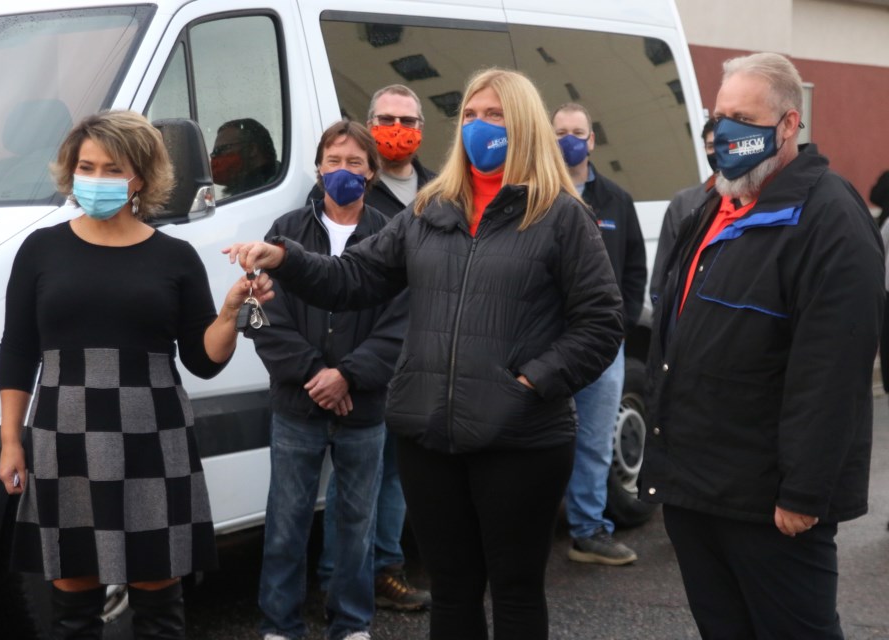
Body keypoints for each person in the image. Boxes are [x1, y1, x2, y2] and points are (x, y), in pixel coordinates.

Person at [226, 68, 624, 640]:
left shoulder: (559, 215)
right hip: (430, 437)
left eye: (496, 116)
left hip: (521, 439)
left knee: (514, 591)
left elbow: (601, 323)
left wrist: (528, 385)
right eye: (469, 115)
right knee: (453, 591)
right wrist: (285, 257)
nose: (479, 127)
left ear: (526, 127)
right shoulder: (429, 210)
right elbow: (353, 279)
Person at [642, 52, 884, 639]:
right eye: (721, 115)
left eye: (744, 118)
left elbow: (830, 372)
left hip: (771, 507)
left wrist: (803, 492)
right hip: (697, 490)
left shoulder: (828, 215)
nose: (727, 132)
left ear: (789, 125)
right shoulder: (711, 206)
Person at [0, 110, 257, 640]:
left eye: (111, 168)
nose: (94, 179)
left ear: (140, 175)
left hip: (153, 438)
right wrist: (10, 440)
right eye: (85, 166)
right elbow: (19, 350)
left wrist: (229, 315)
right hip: (63, 437)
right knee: (73, 613)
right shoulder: (40, 250)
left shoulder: (176, 257)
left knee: (160, 609)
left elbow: (203, 360)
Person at [252, 120, 408, 640]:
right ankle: (280, 626)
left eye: (355, 163)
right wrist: (316, 373)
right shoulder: (285, 231)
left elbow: (401, 323)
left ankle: (352, 624)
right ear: (319, 167)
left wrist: (349, 375)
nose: (343, 171)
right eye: (334, 161)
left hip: (363, 407)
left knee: (356, 526)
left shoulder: (393, 234)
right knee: (285, 523)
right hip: (297, 405)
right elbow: (264, 318)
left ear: (372, 172)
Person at [317, 84, 434, 613]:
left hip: (425, 354)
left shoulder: (440, 190)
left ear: (422, 130)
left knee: (395, 472)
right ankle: (338, 578)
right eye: (385, 118)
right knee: (355, 474)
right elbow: (328, 285)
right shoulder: (349, 190)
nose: (397, 128)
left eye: (407, 120)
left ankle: (386, 567)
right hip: (369, 357)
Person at [552, 102, 646, 565]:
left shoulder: (616, 201)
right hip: (546, 344)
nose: (569, 139)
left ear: (591, 140)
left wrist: (618, 329)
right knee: (540, 440)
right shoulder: (534, 193)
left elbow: (633, 273)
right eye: (560, 131)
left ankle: (588, 530)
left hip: (603, 346)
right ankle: (533, 528)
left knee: (593, 440)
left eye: (577, 131)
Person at [649, 117, 717, 304]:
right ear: (704, 149)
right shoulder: (684, 203)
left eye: (723, 144)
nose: (718, 152)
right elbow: (662, 272)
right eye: (711, 146)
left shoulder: (750, 199)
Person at [210, 118, 279, 198]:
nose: (215, 157)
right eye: (214, 152)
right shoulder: (272, 184)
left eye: (223, 149)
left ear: (252, 149)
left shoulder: (272, 190)